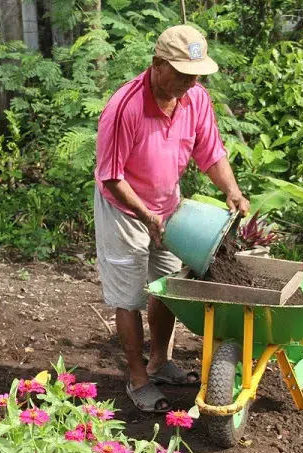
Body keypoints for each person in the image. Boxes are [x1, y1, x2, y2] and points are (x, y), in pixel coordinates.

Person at [94, 25, 250, 413]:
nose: (190, 82)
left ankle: (159, 361)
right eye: (182, 73)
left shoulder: (195, 98)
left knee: (166, 286)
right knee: (128, 297)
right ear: (157, 64)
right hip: (125, 208)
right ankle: (137, 378)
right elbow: (111, 176)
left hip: (169, 208)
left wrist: (231, 189)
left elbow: (211, 152)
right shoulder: (125, 107)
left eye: (196, 74)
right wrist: (147, 217)